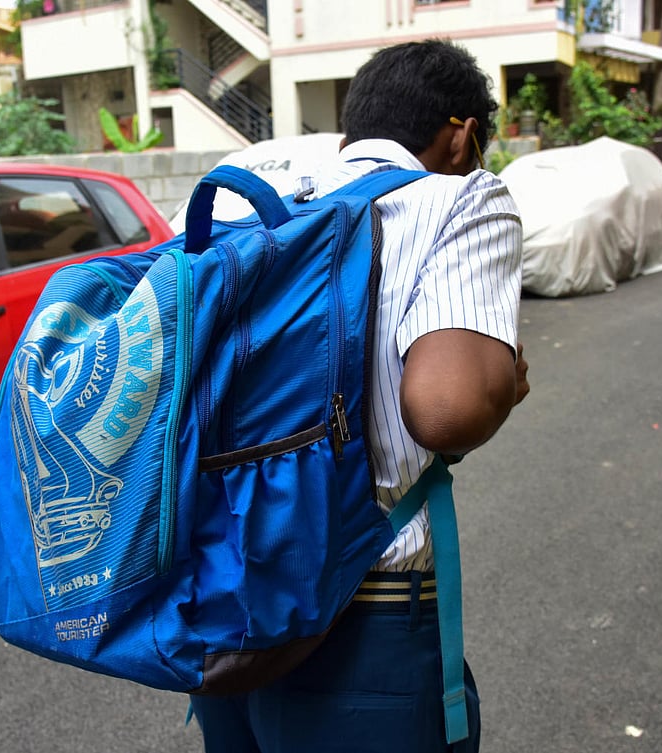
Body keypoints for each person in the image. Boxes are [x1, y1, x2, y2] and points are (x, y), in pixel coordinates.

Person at [190, 38, 530, 753]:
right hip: (363, 617)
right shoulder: (462, 195)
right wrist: (505, 385)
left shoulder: (270, 209)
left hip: (230, 609)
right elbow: (446, 410)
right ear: (462, 135)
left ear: (351, 136)